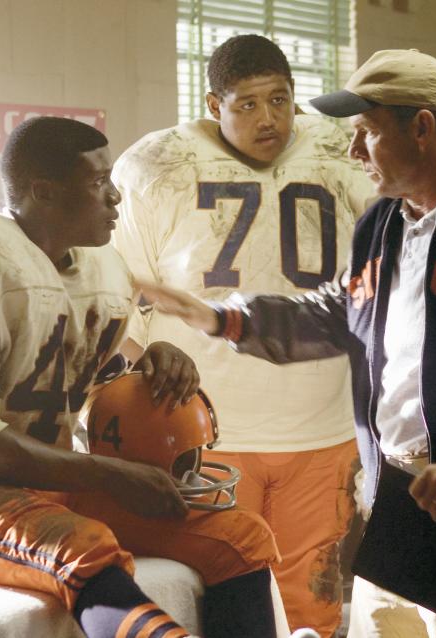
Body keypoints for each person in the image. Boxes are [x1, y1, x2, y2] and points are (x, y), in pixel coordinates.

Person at [143, 49, 436, 638]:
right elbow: (343, 312)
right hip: (394, 492)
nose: (354, 151)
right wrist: (225, 319)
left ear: (421, 128)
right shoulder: (382, 222)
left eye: (367, 133)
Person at [0, 116, 288, 638]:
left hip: (45, 474)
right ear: (43, 191)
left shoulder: (102, 269)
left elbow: (79, 389)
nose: (115, 198)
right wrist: (109, 474)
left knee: (237, 538)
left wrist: (151, 361)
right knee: (82, 545)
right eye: (97, 183)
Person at [111, 34, 373, 637]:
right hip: (206, 429)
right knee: (223, 603)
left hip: (321, 425)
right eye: (248, 104)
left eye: (279, 100)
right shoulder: (156, 165)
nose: (268, 118)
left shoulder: (342, 150)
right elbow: (121, 295)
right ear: (213, 105)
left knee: (314, 604)